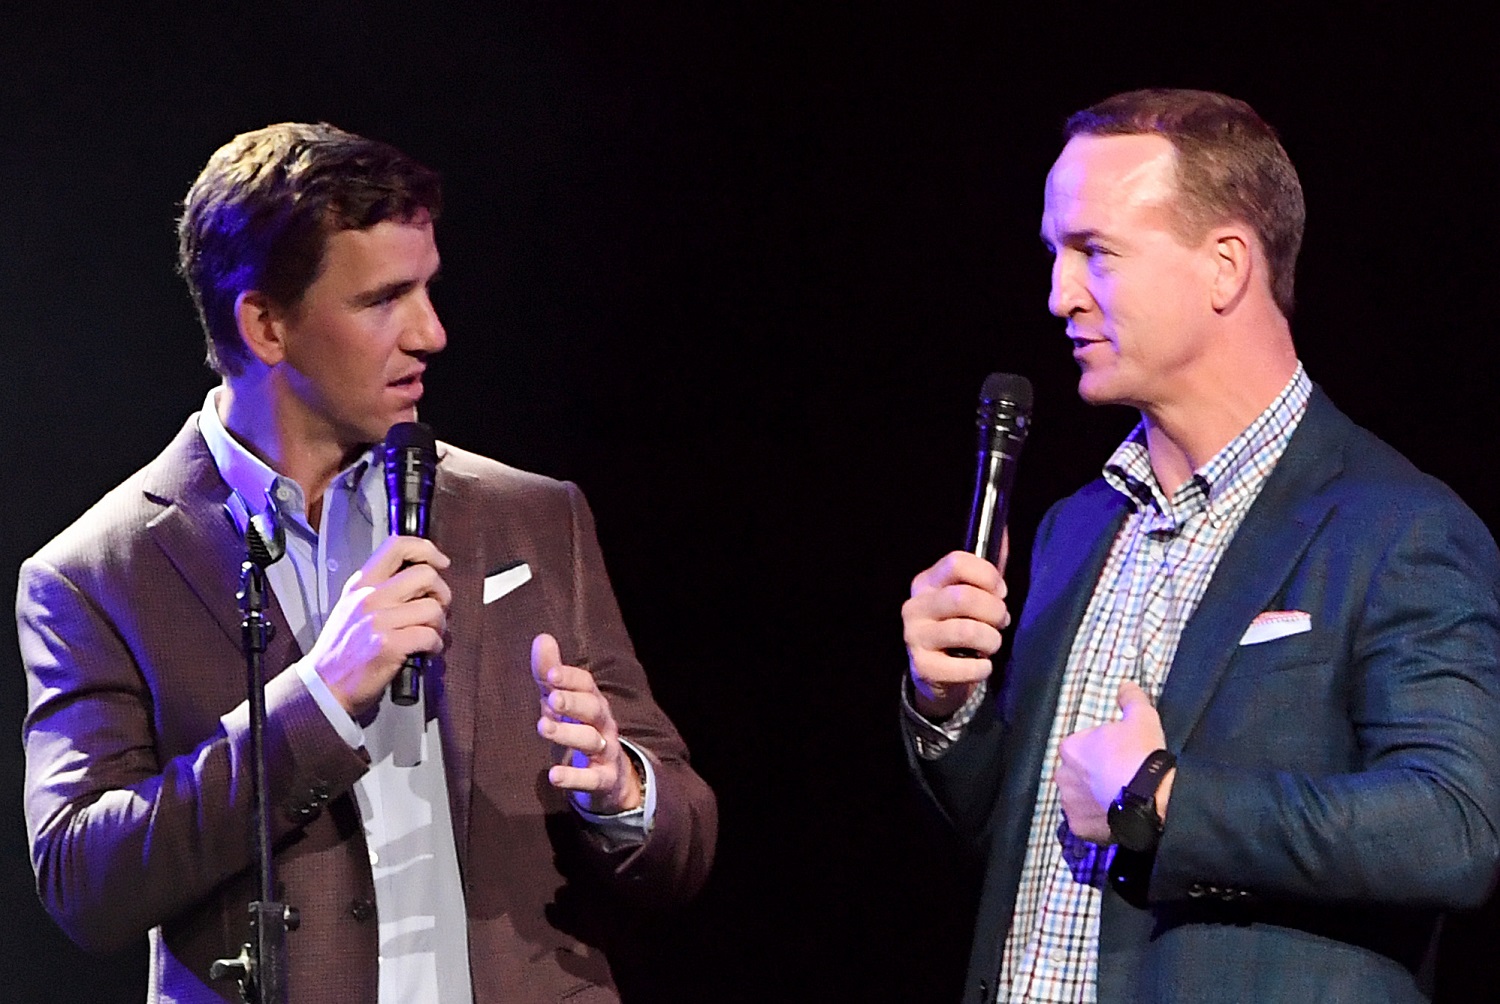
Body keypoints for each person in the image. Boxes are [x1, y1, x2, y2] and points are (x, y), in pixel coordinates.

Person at [17, 122, 716, 1003]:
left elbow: (686, 839)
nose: (432, 332)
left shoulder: (533, 517)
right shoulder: (97, 573)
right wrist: (316, 700)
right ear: (265, 324)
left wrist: (624, 790)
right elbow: (87, 884)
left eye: (427, 288)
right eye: (384, 299)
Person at [900, 89, 1500, 1002]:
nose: (1058, 296)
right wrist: (948, 705)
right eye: (1055, 254)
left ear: (1226, 268)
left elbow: (1452, 828)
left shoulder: (1395, 527)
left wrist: (1166, 801)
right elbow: (1024, 841)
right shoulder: (1079, 524)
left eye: (1093, 253)